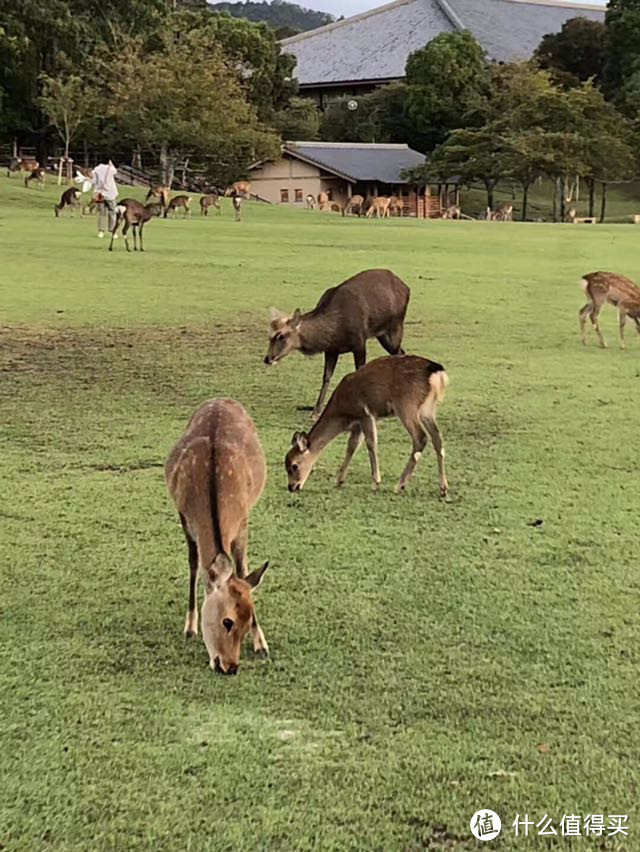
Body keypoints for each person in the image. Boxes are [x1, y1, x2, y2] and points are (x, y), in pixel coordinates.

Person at [91, 157, 119, 238]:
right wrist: (111, 164)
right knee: (112, 212)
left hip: (99, 193)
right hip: (110, 193)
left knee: (101, 213)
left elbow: (94, 181)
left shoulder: (96, 169)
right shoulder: (110, 168)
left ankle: (101, 231)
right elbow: (115, 171)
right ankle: (113, 231)